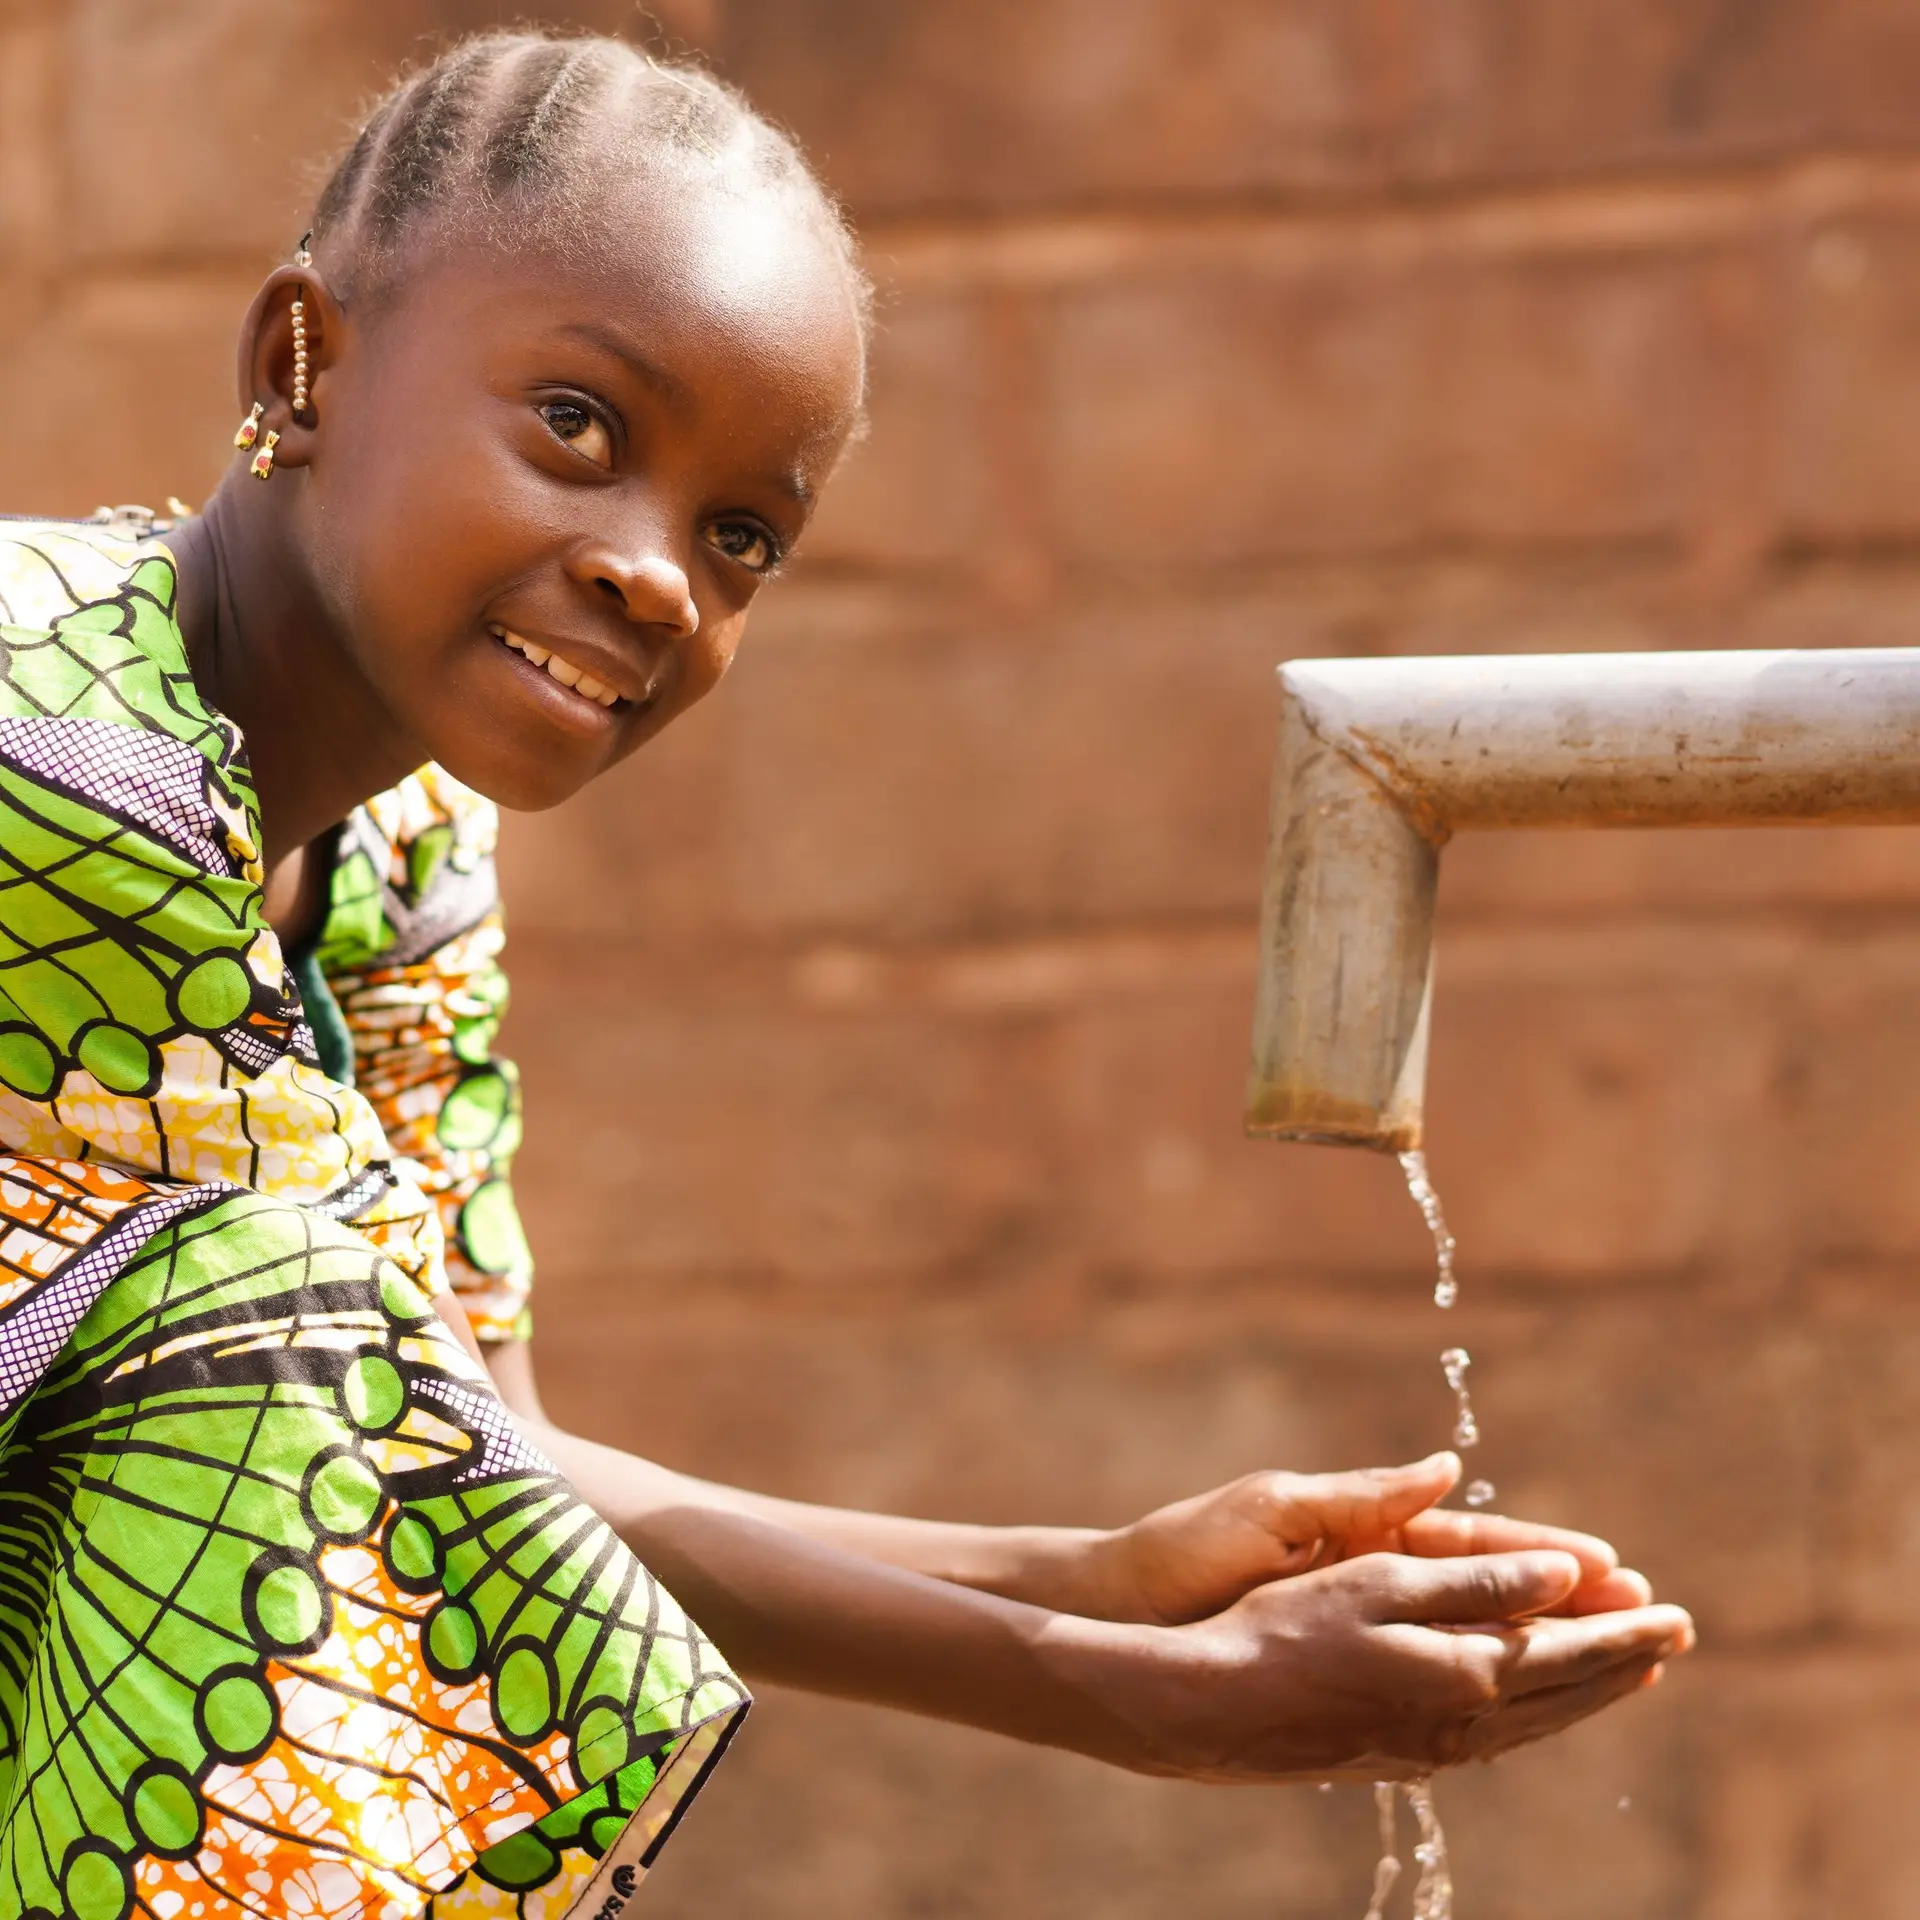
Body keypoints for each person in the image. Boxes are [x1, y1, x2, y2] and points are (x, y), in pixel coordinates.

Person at [0, 28, 1691, 1919]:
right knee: (244, 1290)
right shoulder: (39, 736)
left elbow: (475, 1461)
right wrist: (1135, 1700)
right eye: (579, 426)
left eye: (743, 536)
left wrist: (1090, 1580)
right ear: (297, 365)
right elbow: (300, 1400)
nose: (660, 578)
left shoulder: (398, 873)